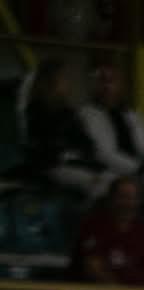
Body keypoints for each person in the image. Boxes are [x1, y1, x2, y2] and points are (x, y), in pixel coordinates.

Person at [69, 174, 144, 290]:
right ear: (111, 199)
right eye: (123, 196)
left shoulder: (142, 231)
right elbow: (93, 268)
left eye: (133, 197)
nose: (129, 202)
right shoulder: (95, 225)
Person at [18, 58, 109, 201]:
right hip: (50, 166)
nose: (67, 83)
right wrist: (67, 152)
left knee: (111, 179)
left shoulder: (67, 111)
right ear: (51, 81)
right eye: (63, 78)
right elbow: (44, 146)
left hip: (75, 162)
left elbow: (85, 141)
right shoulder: (36, 110)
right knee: (97, 184)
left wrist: (84, 153)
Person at [79, 60, 144, 184]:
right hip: (111, 175)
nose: (107, 86)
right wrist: (140, 169)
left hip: (142, 172)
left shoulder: (132, 114)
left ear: (120, 84)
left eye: (112, 80)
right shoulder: (87, 115)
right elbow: (103, 154)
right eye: (102, 80)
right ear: (95, 84)